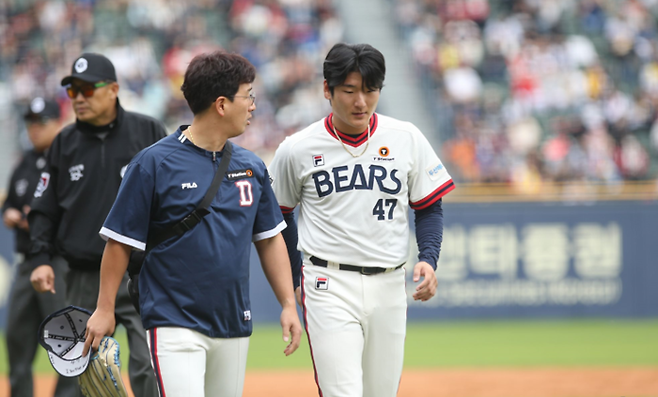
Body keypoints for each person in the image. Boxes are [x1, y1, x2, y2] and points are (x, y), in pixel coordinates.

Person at [83, 51, 302, 397]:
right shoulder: (153, 163)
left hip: (233, 321)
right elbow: (119, 242)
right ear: (221, 104)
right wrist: (104, 308)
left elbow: (270, 239)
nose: (253, 106)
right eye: (248, 96)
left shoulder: (252, 166)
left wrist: (288, 304)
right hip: (173, 321)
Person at [268, 43, 455, 397]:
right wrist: (295, 278)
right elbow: (279, 218)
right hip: (328, 282)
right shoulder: (297, 147)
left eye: (370, 90)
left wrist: (429, 259)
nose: (361, 102)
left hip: (389, 283)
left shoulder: (406, 137)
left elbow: (429, 206)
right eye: (350, 91)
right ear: (328, 89)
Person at [28, 53, 167, 397]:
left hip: (139, 275)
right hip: (83, 277)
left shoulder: (147, 130)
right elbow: (44, 207)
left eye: (87, 89)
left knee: (148, 365)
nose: (78, 97)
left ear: (114, 89)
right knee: (79, 371)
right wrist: (41, 257)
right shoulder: (64, 141)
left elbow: (172, 200)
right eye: (72, 90)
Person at [2, 97, 78, 397]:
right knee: (16, 339)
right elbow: (9, 203)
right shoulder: (24, 163)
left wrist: (35, 219)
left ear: (57, 123)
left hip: (57, 262)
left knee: (65, 343)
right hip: (26, 263)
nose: (34, 128)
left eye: (41, 122)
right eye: (30, 122)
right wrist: (10, 213)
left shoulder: (69, 159)